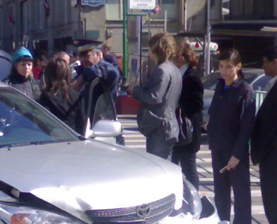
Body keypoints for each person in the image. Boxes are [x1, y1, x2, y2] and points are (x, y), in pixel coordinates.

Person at [207, 48, 256, 224]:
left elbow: (247, 126)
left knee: (241, 195)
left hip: (235, 152)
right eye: (221, 66)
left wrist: (237, 154)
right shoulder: (220, 86)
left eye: (229, 66)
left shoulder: (245, 91)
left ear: (238, 67)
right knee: (221, 194)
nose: (224, 71)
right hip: (218, 147)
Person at [128, 32, 182, 160]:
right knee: (166, 164)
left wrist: (135, 89)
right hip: (168, 125)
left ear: (155, 49)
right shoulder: (174, 69)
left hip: (160, 128)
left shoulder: (162, 70)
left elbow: (154, 97)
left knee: (158, 166)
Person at [250, 46, 277, 224]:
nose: (262, 66)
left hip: (273, 153)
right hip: (268, 153)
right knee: (269, 195)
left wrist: (263, 148)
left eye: (265, 62)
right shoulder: (272, 83)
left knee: (274, 195)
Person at [171, 43, 204, 189]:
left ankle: (194, 200)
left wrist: (179, 104)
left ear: (181, 58)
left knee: (189, 169)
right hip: (178, 130)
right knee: (173, 167)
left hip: (187, 131)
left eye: (173, 57)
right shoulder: (181, 75)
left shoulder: (191, 77)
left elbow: (197, 106)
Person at [37, 56, 86, 135]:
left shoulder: (45, 96)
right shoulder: (77, 96)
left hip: (52, 140)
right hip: (73, 139)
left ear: (48, 75)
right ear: (68, 74)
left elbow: (42, 124)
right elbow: (82, 125)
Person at [73, 46, 120, 127]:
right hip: (87, 118)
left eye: (87, 56)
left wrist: (83, 76)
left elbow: (111, 74)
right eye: (81, 57)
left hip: (102, 120)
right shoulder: (83, 70)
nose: (83, 60)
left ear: (97, 54)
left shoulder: (106, 68)